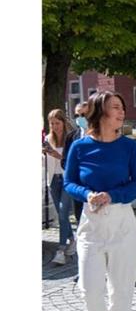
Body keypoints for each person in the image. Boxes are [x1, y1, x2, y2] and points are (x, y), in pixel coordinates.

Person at [63, 91, 136, 311]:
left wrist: (112, 195)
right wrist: (87, 194)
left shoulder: (130, 147)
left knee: (121, 291)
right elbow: (68, 182)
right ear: (100, 113)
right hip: (91, 223)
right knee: (88, 288)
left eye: (122, 107)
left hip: (122, 222)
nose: (122, 112)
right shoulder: (80, 146)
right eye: (115, 108)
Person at [43, 109, 76, 264]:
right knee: (60, 214)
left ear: (64, 122)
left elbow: (74, 161)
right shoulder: (48, 139)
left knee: (63, 213)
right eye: (52, 123)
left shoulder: (71, 139)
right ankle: (72, 239)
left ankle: (61, 250)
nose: (55, 126)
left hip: (67, 179)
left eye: (58, 123)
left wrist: (58, 155)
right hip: (53, 181)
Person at [62, 101, 90, 229]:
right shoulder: (71, 137)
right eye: (77, 115)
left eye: (83, 114)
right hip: (79, 187)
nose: (80, 118)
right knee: (81, 221)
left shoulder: (104, 135)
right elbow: (64, 161)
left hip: (96, 188)